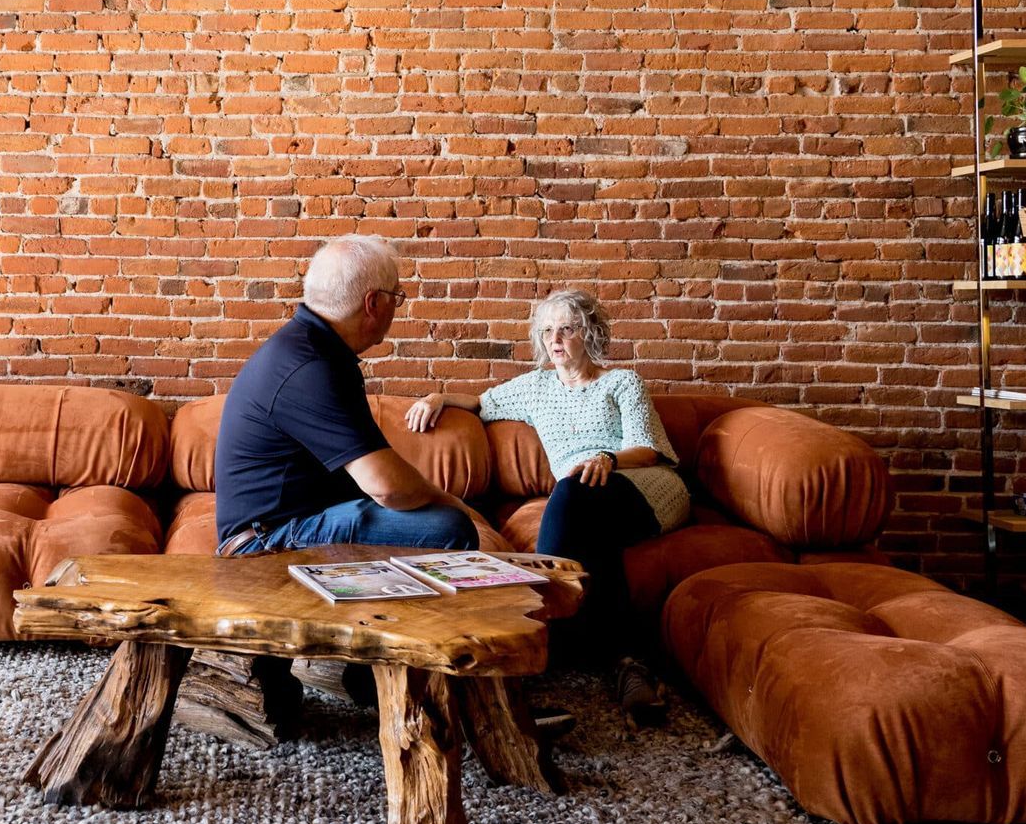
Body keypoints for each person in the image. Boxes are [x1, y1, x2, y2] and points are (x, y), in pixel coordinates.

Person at [404, 288, 687, 724]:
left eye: (568, 329)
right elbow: (481, 402)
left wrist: (606, 459)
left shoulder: (621, 382)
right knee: (590, 528)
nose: (556, 340)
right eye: (548, 331)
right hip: (582, 500)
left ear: (588, 334)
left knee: (571, 491)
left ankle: (526, 656)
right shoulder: (536, 388)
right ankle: (629, 665)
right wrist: (437, 398)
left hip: (641, 486)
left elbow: (647, 449)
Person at [214, 236, 486, 558]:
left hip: (291, 523)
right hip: (264, 541)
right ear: (372, 303)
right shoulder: (311, 366)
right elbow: (386, 485)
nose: (396, 309)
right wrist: (452, 502)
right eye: (396, 298)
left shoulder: (313, 349)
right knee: (450, 528)